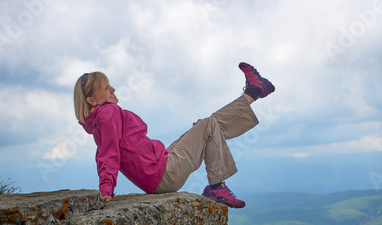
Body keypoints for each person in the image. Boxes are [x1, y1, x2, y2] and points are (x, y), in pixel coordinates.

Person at [73, 62, 274, 208]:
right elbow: (108, 153)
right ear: (91, 99)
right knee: (208, 126)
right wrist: (106, 188)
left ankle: (253, 92)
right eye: (106, 87)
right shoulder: (109, 113)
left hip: (160, 166)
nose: (113, 89)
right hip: (163, 174)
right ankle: (217, 186)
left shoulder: (100, 119)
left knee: (208, 127)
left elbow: (108, 150)